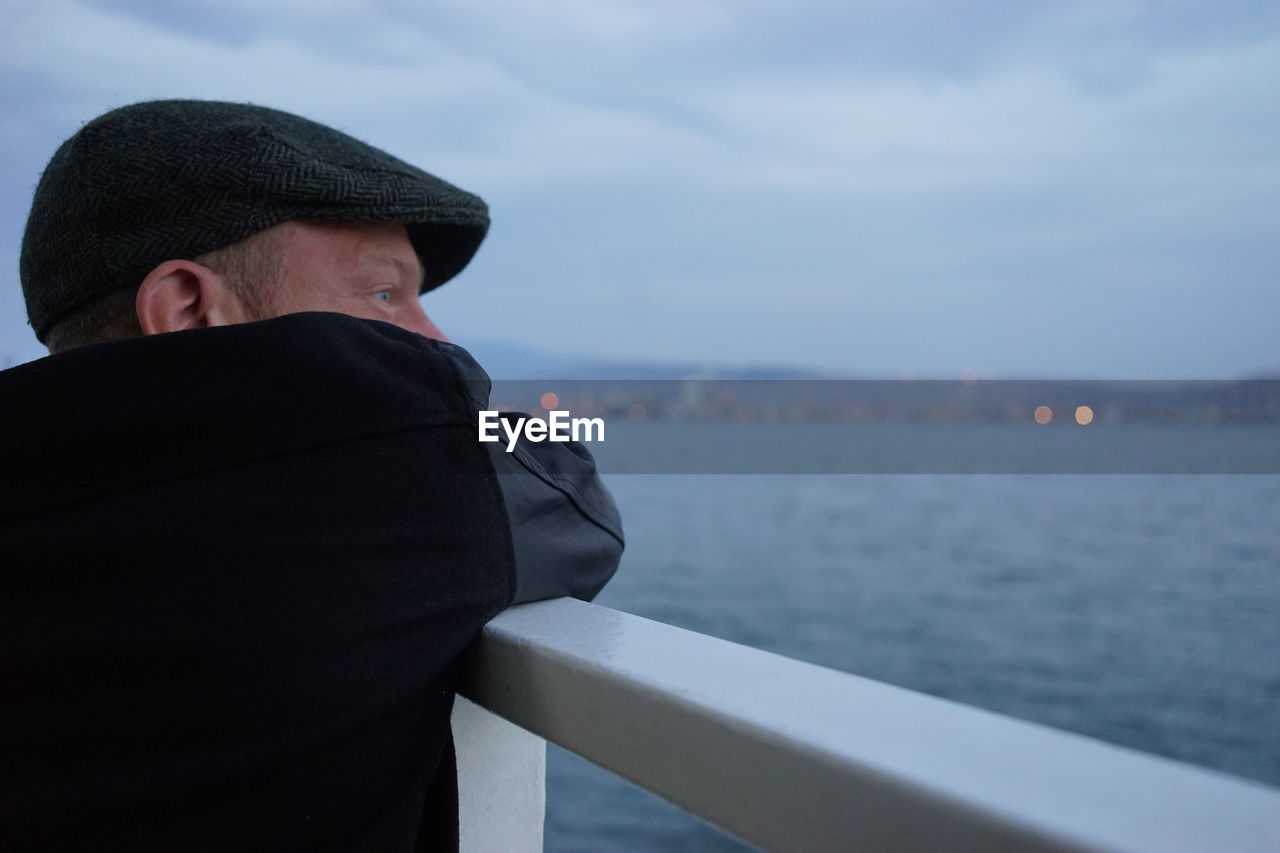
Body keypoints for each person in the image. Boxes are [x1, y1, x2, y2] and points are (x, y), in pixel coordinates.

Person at [1, 100, 622, 851]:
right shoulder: (374, 475)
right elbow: (575, 499)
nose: (436, 340)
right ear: (191, 310)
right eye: (385, 294)